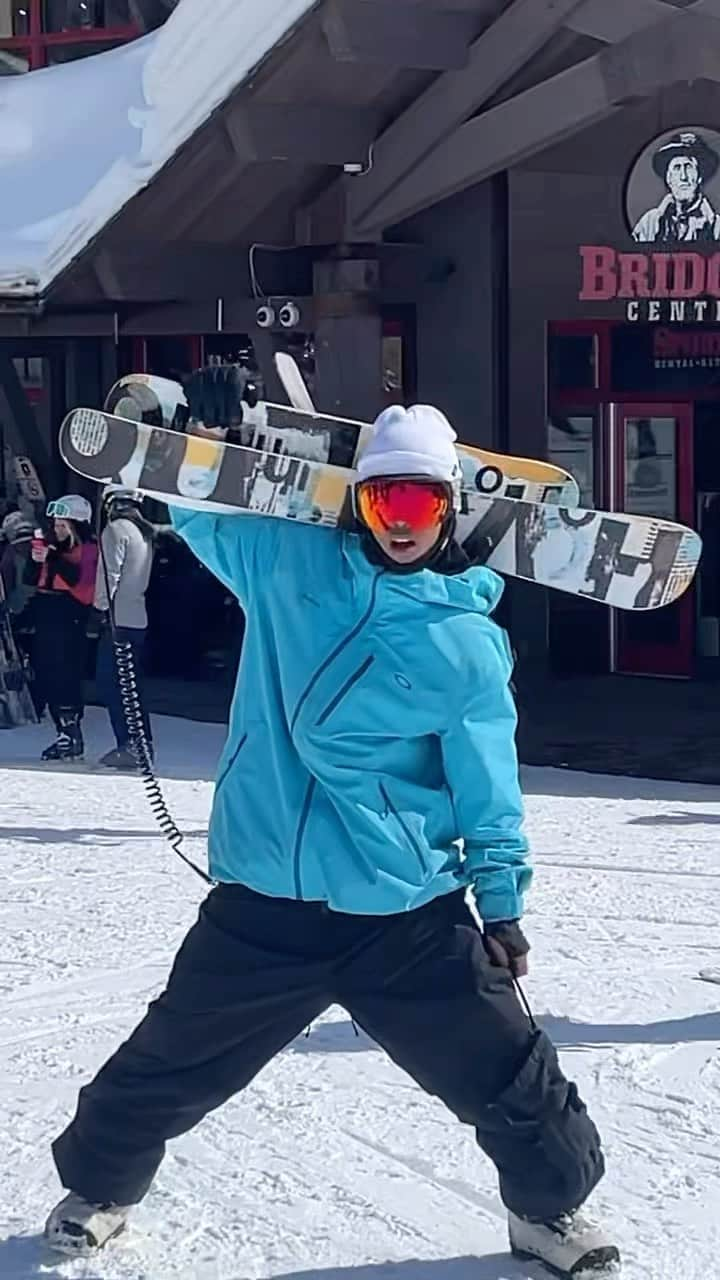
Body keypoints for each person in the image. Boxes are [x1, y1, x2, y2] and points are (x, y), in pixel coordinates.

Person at [45, 370, 619, 1276]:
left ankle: (550, 1214)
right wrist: (166, 442)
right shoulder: (286, 564)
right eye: (385, 495)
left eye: (421, 501)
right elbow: (198, 508)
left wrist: (501, 901)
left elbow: (487, 782)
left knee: (511, 1076)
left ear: (445, 511)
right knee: (167, 1060)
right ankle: (100, 1190)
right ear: (359, 499)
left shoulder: (463, 640)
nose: (400, 518)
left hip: (403, 911)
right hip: (265, 903)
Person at [30, 494, 97, 762]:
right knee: (47, 671)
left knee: (65, 673)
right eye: (55, 526)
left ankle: (71, 731)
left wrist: (53, 556)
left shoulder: (88, 550)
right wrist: (37, 562)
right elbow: (36, 580)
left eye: (62, 526)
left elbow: (78, 581)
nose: (57, 531)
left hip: (70, 616)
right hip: (48, 613)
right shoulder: (54, 548)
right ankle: (62, 729)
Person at [94, 487, 155, 769]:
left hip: (117, 618)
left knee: (114, 683)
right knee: (132, 684)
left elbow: (109, 575)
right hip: (137, 616)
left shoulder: (115, 531)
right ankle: (142, 744)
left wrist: (99, 608)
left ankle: (129, 744)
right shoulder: (145, 533)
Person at [633, 130, 720, 243]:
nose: (683, 177)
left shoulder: (716, 226)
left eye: (688, 167)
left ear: (699, 177)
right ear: (668, 179)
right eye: (677, 168)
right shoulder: (649, 223)